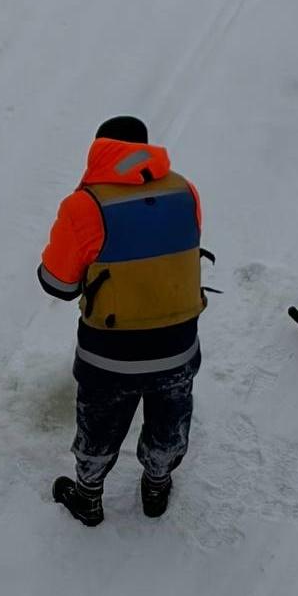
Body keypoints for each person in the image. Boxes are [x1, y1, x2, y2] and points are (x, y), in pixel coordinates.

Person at [37, 116, 206, 526]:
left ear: (100, 150)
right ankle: (156, 486)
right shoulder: (186, 192)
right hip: (178, 347)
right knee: (170, 419)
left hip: (110, 357)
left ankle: (89, 496)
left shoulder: (84, 206)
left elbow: (58, 284)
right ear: (145, 149)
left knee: (99, 427)